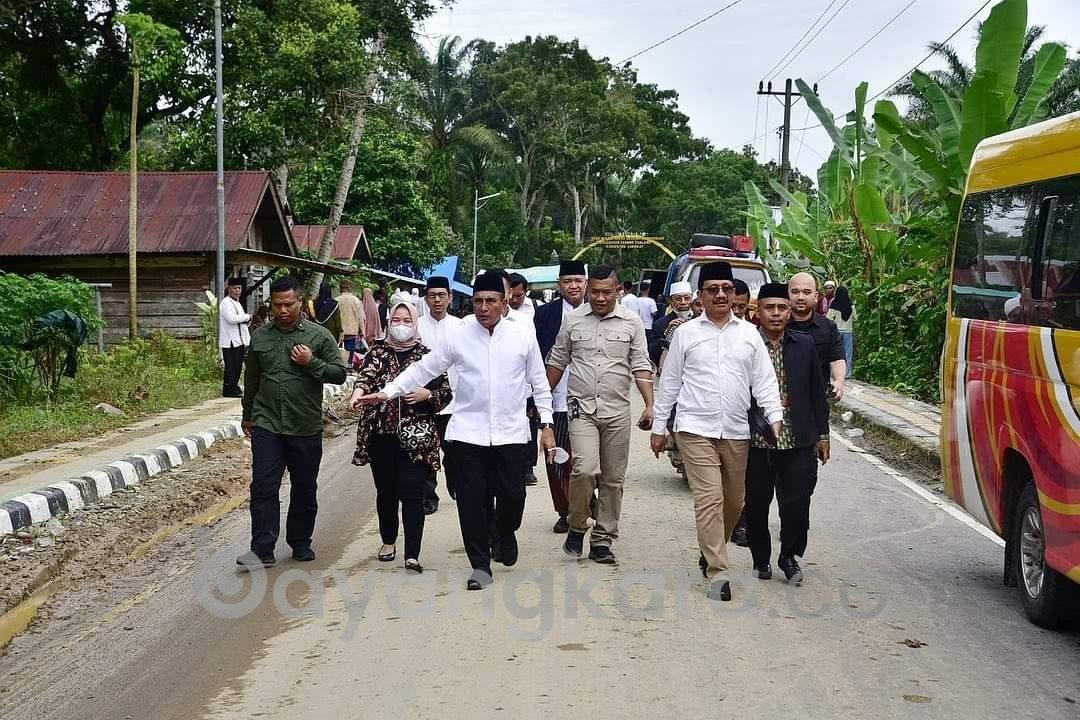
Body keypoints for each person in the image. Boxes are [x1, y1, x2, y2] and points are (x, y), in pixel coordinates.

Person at [353, 271, 556, 591]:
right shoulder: (460, 336)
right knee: (471, 501)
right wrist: (387, 391)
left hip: (511, 434)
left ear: (504, 304)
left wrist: (546, 424)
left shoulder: (522, 337)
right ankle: (480, 565)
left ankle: (505, 531)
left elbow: (540, 384)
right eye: (478, 301)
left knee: (513, 498)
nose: (484, 307)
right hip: (467, 434)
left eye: (491, 301)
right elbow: (424, 368)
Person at [649, 261, 783, 602]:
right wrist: (660, 426)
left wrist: (775, 415)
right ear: (701, 296)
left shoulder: (748, 334)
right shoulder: (685, 334)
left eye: (726, 289)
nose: (721, 295)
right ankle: (718, 572)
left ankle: (710, 550)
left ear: (735, 294)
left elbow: (764, 380)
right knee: (709, 498)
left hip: (736, 430)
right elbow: (671, 383)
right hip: (695, 428)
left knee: (735, 502)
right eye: (713, 290)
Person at [237, 275, 347, 570]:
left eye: (288, 304)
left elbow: (339, 374)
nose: (282, 310)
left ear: (300, 301)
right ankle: (261, 548)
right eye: (277, 305)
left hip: (304, 424)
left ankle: (300, 541)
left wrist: (311, 362)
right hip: (267, 422)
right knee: (263, 486)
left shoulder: (318, 336)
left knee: (304, 486)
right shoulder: (260, 337)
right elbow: (252, 381)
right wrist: (248, 415)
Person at [546, 265, 654, 564]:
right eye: (595, 291)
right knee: (584, 469)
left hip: (617, 410)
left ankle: (603, 540)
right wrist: (540, 403)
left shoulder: (632, 323)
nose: (601, 297)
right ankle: (577, 524)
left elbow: (641, 364)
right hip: (581, 409)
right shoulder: (573, 321)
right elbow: (557, 360)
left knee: (613, 479)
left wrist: (649, 404)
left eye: (607, 292)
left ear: (618, 291)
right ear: (587, 290)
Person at [352, 301, 451, 573]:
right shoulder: (378, 352)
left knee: (412, 493)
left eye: (407, 320)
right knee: (386, 491)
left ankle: (412, 553)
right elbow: (366, 378)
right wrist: (358, 394)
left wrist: (427, 395)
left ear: (415, 322)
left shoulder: (426, 355)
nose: (401, 325)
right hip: (381, 435)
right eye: (396, 319)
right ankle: (388, 540)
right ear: (388, 321)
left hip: (416, 438)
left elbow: (445, 393)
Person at [744, 283, 830, 586]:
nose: (777, 314)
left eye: (782, 308)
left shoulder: (804, 344)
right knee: (756, 503)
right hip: (756, 441)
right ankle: (760, 558)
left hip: (798, 438)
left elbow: (817, 392)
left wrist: (823, 435)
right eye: (770, 308)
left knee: (796, 505)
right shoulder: (746, 342)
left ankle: (789, 556)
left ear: (789, 311)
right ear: (758, 311)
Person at [534, 260, 588, 533]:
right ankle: (564, 510)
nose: (573, 286)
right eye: (568, 281)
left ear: (586, 283)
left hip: (589, 399)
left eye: (578, 280)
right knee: (556, 457)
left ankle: (585, 501)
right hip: (553, 398)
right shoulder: (544, 314)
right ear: (560, 285)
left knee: (586, 459)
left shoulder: (598, 309)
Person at [417, 276, 465, 514]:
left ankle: (456, 483)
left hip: (454, 400)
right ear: (426, 299)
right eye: (432, 295)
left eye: (441, 295)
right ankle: (428, 496)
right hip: (422, 399)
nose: (437, 300)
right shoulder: (415, 326)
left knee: (454, 449)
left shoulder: (460, 327)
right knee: (426, 450)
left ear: (450, 297)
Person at [788, 273, 846, 401]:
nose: (801, 297)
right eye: (795, 292)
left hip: (818, 399)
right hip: (785, 398)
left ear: (815, 297)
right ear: (788, 296)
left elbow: (837, 359)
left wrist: (839, 382)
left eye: (806, 292)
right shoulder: (779, 326)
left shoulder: (828, 326)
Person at [219, 276, 251, 398]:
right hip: (229, 340)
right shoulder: (226, 303)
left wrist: (246, 319)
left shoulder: (237, 303)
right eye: (235, 288)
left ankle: (234, 387)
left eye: (240, 288)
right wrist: (247, 317)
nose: (238, 290)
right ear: (229, 289)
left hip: (239, 339)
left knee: (237, 366)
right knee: (231, 366)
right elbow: (232, 319)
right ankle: (228, 389)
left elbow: (241, 320)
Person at [649, 280, 694, 366]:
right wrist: (667, 332)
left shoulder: (698, 320)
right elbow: (653, 353)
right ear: (671, 301)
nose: (683, 302)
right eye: (678, 299)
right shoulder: (660, 324)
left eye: (687, 298)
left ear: (692, 299)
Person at [826, 286, 856, 379]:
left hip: (837, 331)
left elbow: (828, 318)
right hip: (848, 331)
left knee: (835, 352)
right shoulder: (851, 305)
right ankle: (847, 374)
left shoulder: (834, 304)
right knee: (848, 353)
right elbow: (855, 318)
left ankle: (835, 373)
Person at [336, 281, 365, 367]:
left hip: (339, 330)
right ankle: (348, 366)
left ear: (341, 288)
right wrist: (362, 330)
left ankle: (338, 365)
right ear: (350, 288)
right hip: (352, 330)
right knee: (350, 350)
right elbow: (360, 317)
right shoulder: (356, 300)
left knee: (338, 350)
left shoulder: (336, 300)